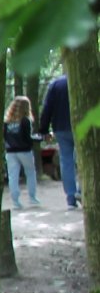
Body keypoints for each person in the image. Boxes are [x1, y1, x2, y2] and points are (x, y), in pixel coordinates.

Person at [39, 73, 81, 209]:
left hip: (61, 128)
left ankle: (71, 198)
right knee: (85, 159)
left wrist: (44, 130)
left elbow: (47, 107)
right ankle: (82, 191)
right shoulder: (87, 77)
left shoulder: (56, 84)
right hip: (83, 125)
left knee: (66, 160)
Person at [3, 95, 42, 209]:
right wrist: (40, 138)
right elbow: (27, 138)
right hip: (24, 151)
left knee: (13, 176)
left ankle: (15, 201)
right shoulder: (26, 121)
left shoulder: (7, 122)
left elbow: (4, 137)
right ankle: (32, 198)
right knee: (30, 173)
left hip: (10, 151)